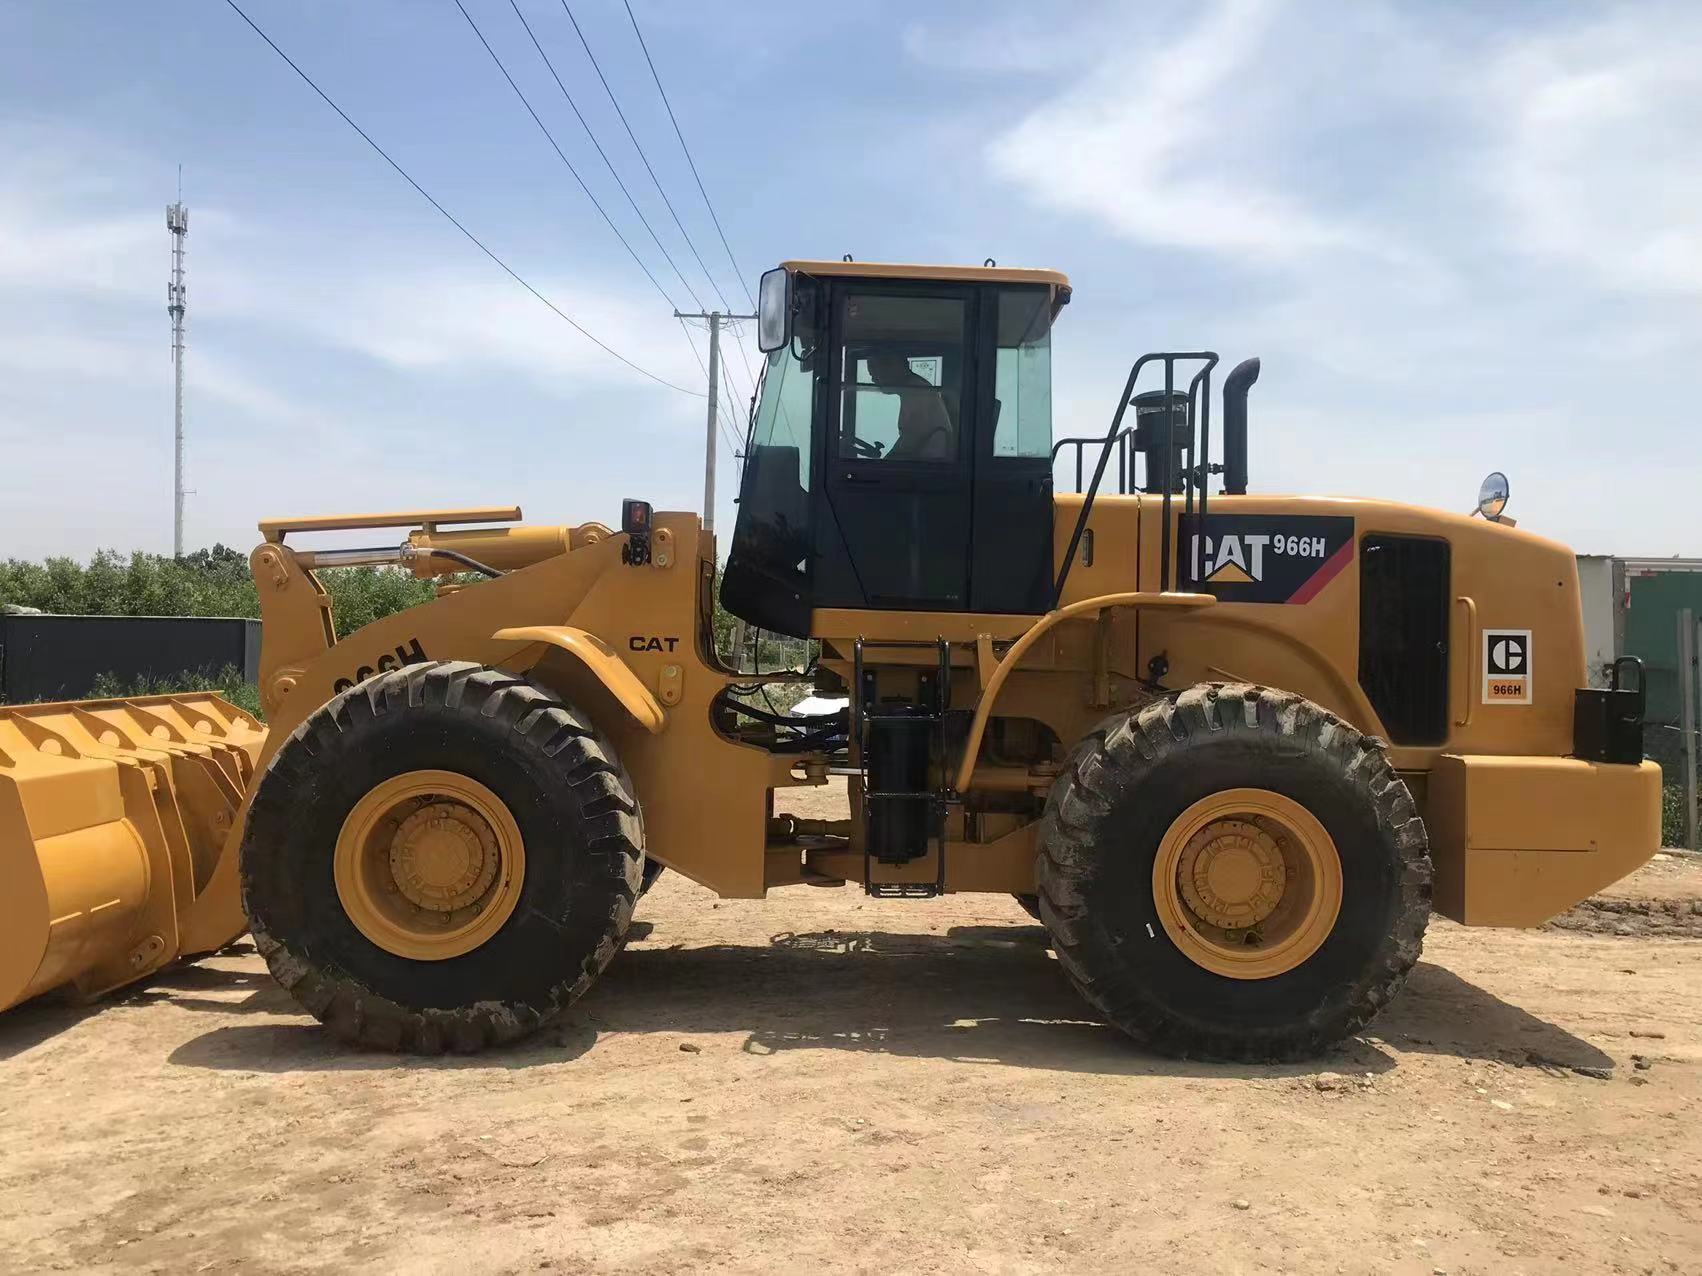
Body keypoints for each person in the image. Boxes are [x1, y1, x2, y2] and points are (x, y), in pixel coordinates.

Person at [866, 350, 953, 460]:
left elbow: (910, 440)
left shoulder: (917, 391)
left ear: (897, 367)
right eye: (872, 374)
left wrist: (883, 465)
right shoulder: (912, 389)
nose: (873, 380)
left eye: (877, 373)